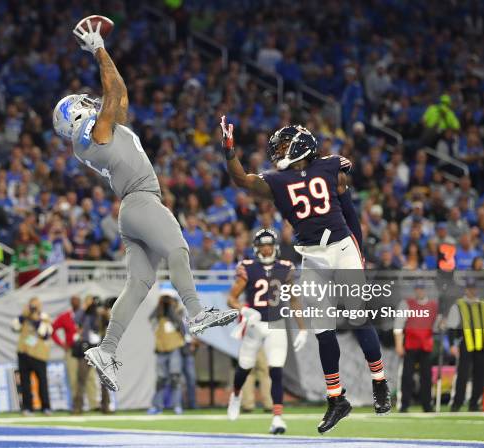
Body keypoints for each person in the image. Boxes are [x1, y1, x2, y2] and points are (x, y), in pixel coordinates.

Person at [52, 18, 237, 393]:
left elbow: (118, 92)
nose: (91, 102)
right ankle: (197, 314)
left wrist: (102, 53)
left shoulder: (93, 135)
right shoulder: (92, 133)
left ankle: (106, 349)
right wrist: (98, 50)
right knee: (178, 248)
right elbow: (111, 93)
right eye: (83, 104)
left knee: (138, 285)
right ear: (76, 115)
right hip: (140, 199)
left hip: (131, 209)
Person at [220, 118, 391, 434]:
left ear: (299, 145)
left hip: (341, 247)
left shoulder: (329, 166)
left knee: (357, 317)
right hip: (311, 255)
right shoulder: (277, 179)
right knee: (322, 330)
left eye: (283, 146)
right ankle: (336, 398)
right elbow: (242, 180)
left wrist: (359, 250)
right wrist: (230, 152)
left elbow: (349, 208)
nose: (278, 153)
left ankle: (379, 381)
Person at [226, 229, 307, 434]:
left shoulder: (285, 268)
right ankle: (236, 395)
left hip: (277, 323)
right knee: (244, 367)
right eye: (262, 245)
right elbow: (231, 298)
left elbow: (294, 299)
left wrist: (303, 329)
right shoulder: (248, 268)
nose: (266, 249)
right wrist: (245, 310)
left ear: (275, 246)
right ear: (256, 248)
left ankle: (277, 418)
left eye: (269, 245)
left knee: (276, 370)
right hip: (254, 324)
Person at [447, 278, 484, 411]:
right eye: (470, 288)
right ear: (466, 289)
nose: (472, 290)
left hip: (483, 344)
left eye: (474, 288)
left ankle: (474, 403)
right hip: (466, 343)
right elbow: (451, 327)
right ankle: (457, 403)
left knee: (480, 375)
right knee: (462, 375)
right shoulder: (459, 305)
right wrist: (452, 344)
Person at [393, 281, 439, 412]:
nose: (420, 291)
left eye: (422, 289)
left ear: (425, 290)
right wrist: (398, 344)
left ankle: (427, 405)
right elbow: (398, 325)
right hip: (410, 345)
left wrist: (441, 324)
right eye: (417, 289)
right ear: (415, 291)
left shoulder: (432, 306)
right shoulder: (407, 304)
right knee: (407, 376)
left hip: (426, 345)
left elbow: (435, 326)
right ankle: (404, 404)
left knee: (427, 377)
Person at [12, 297, 53, 416]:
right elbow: (14, 327)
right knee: (25, 382)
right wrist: (23, 316)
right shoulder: (24, 317)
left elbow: (45, 334)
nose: (33, 308)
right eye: (32, 305)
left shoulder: (44, 317)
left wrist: (36, 320)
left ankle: (45, 407)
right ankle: (27, 408)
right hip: (24, 353)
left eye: (36, 305)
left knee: (42, 381)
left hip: (38, 354)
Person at [148, 291, 186, 415]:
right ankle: (157, 406)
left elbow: (180, 325)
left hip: (174, 348)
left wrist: (170, 308)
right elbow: (151, 319)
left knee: (175, 378)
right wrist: (160, 306)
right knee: (160, 379)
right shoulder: (158, 313)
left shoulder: (179, 312)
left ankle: (177, 406)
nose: (166, 302)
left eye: (168, 300)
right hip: (161, 349)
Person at [72, 295, 102, 414]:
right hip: (86, 347)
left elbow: (101, 325)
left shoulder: (97, 314)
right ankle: (78, 407)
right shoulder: (83, 314)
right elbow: (75, 320)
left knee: (103, 378)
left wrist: (98, 309)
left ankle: (104, 406)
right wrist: (84, 308)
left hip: (97, 348)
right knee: (81, 378)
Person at [51, 295, 83, 406]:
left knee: (89, 377)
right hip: (71, 349)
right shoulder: (65, 317)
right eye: (74, 301)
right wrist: (61, 344)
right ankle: (76, 404)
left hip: (86, 349)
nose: (76, 303)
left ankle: (93, 404)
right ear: (71, 303)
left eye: (77, 301)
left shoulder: (86, 315)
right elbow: (52, 329)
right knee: (73, 376)